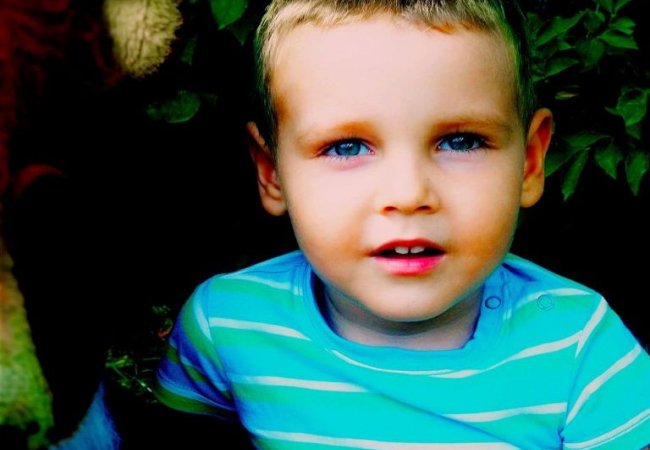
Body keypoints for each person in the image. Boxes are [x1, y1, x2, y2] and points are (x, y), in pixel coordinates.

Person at [155, 0, 650, 448]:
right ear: (272, 173)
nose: (409, 194)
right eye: (346, 146)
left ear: (530, 162)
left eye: (460, 141)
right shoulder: (228, 327)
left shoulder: (583, 352)